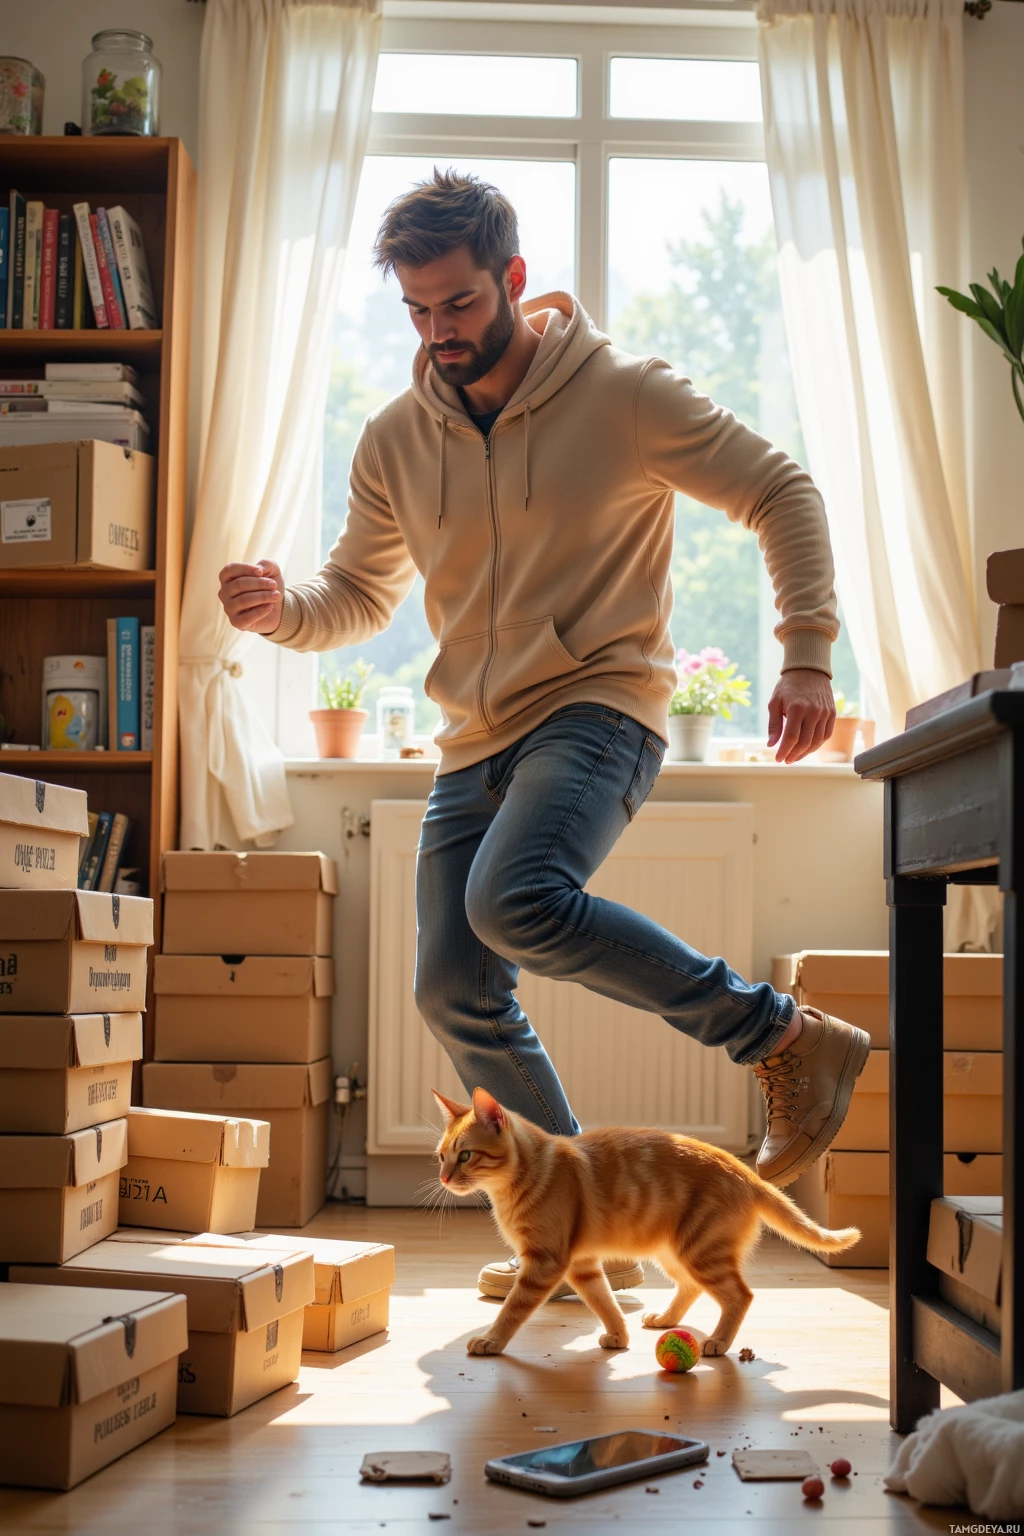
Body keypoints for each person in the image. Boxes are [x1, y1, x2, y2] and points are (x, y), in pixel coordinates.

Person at [219, 169, 870, 1299]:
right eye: (418, 312)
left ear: (512, 279)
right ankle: (568, 1230)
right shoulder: (393, 438)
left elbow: (782, 490)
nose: (439, 334)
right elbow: (358, 596)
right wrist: (283, 614)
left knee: (511, 902)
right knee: (450, 989)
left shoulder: (621, 395)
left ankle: (779, 1036)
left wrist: (806, 649)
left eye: (460, 304)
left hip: (598, 705)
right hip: (472, 738)